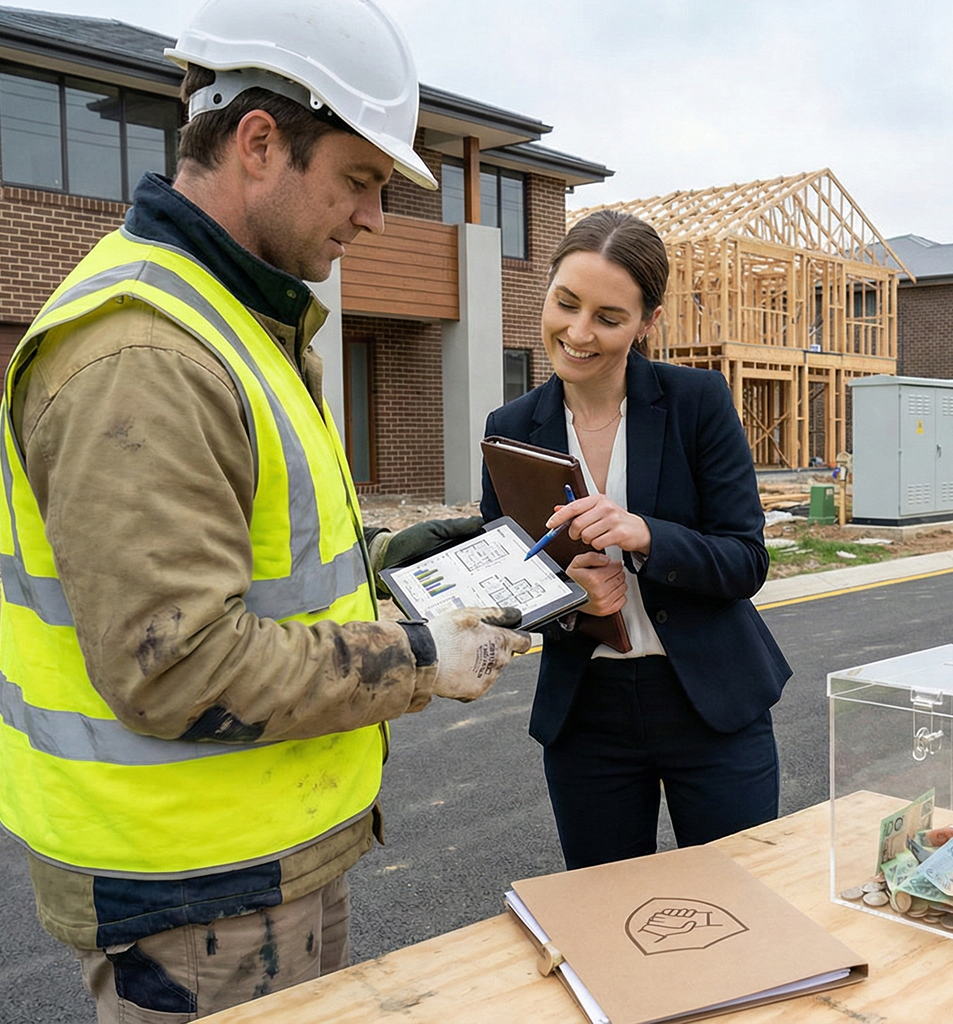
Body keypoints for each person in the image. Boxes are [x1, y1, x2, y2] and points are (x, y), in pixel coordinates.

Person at [0, 0, 530, 1018]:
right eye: (361, 181)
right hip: (194, 889)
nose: (375, 219)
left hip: (252, 866)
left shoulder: (238, 319)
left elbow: (273, 561)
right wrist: (420, 656)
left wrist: (409, 558)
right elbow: (180, 665)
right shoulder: (145, 354)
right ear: (258, 143)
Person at [481, 210, 792, 870]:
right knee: (607, 918)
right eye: (565, 304)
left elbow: (745, 558)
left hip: (711, 704)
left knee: (738, 907)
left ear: (647, 322)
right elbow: (506, 581)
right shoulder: (511, 427)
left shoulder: (697, 401)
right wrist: (570, 600)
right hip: (587, 716)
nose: (578, 332)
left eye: (608, 317)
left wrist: (646, 535)